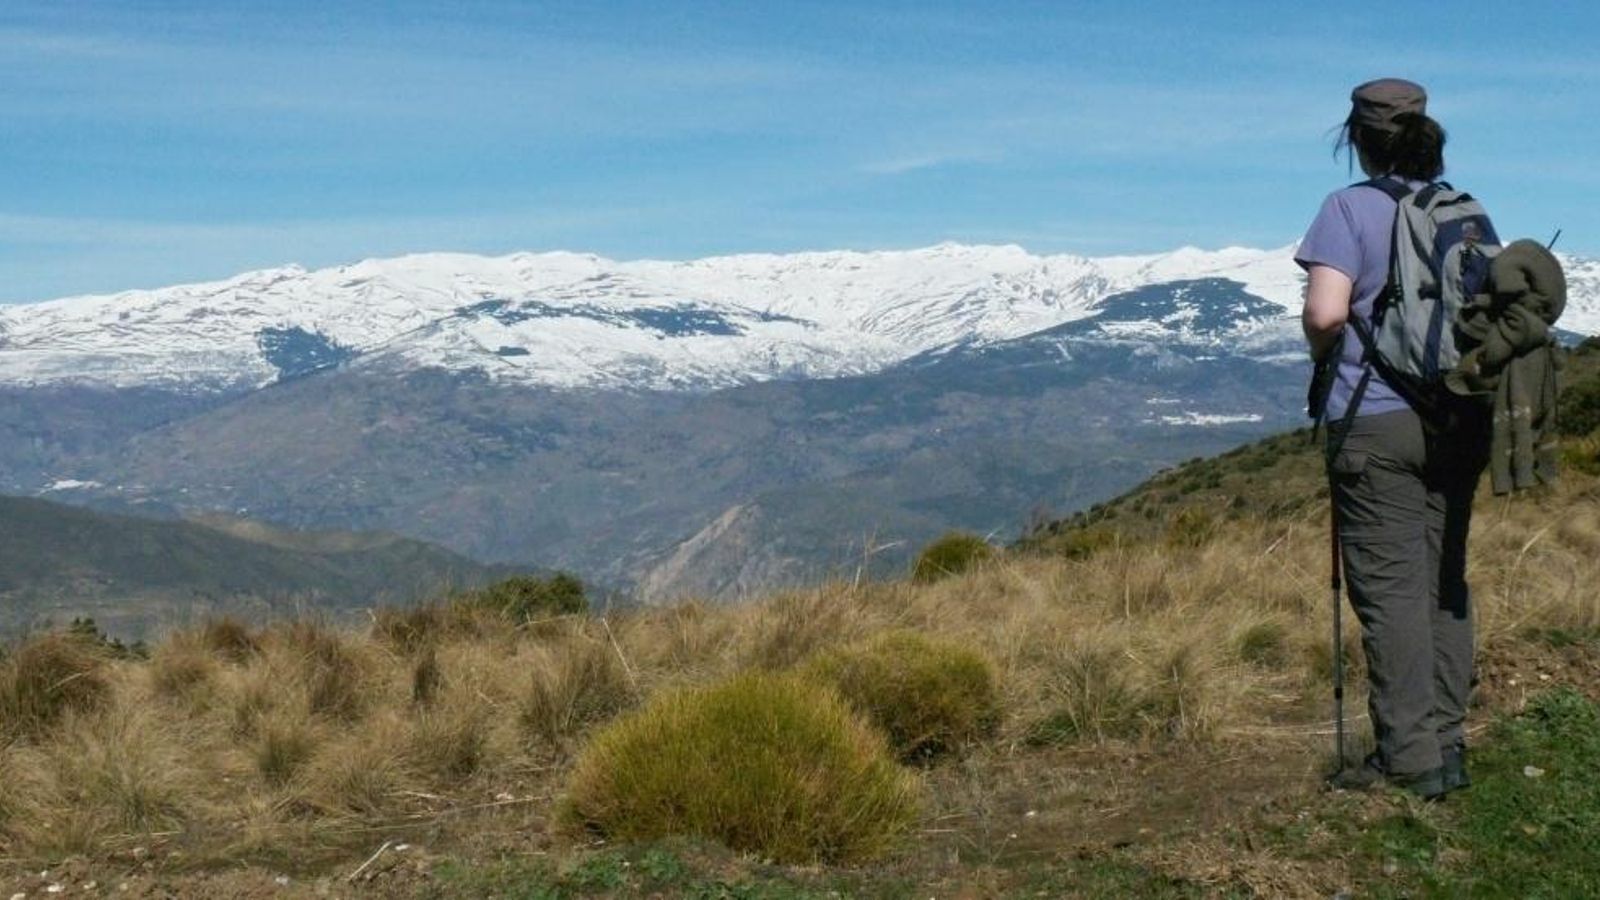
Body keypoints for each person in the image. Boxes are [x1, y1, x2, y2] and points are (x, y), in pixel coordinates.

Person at [1296, 78, 1492, 799]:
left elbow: (1324, 314)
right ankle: (1447, 742)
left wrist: (1327, 356)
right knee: (1444, 580)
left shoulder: (1347, 209)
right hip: (1459, 419)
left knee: (1391, 593)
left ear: (1358, 138)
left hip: (1374, 421)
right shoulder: (1461, 211)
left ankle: (1408, 762)